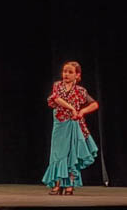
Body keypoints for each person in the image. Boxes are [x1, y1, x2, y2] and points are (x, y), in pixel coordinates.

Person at [41, 61, 99, 195]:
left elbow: (94, 104)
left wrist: (82, 111)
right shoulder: (58, 86)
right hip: (60, 124)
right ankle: (57, 184)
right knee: (57, 154)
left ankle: (69, 185)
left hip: (73, 124)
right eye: (64, 71)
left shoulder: (80, 91)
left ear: (77, 75)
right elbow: (57, 99)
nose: (66, 74)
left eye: (70, 72)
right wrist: (72, 108)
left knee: (71, 154)